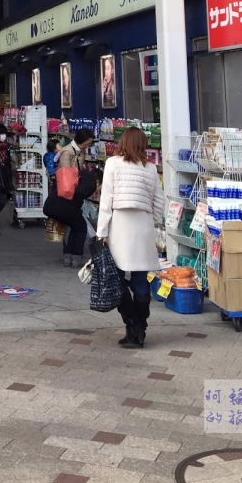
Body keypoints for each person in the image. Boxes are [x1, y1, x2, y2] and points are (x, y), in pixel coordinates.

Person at [97, 126, 165, 349]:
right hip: (143, 227)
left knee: (116, 280)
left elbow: (106, 200)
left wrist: (102, 232)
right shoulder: (150, 168)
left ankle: (132, 324)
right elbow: (159, 201)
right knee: (139, 279)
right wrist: (151, 220)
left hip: (120, 226)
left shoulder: (113, 163)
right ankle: (141, 328)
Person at [44, 166, 102, 268]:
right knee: (81, 227)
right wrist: (77, 208)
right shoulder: (91, 182)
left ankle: (68, 257)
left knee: (74, 227)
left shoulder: (80, 177)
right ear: (98, 181)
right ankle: (76, 257)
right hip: (64, 207)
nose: (99, 190)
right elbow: (79, 193)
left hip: (51, 205)